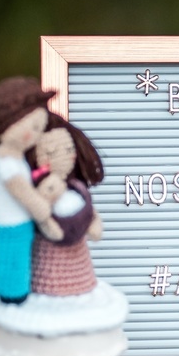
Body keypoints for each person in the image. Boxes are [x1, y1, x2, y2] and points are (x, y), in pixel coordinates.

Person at [0, 77, 63, 304]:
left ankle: (16, 290)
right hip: (8, 221)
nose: (37, 134)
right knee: (12, 256)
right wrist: (41, 209)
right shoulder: (7, 161)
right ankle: (12, 295)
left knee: (16, 253)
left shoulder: (13, 157)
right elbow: (22, 191)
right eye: (34, 127)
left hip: (10, 218)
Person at [29, 115, 106, 296]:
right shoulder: (44, 190)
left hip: (80, 267)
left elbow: (90, 212)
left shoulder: (77, 189)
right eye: (53, 152)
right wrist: (48, 225)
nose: (65, 156)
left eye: (69, 149)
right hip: (49, 266)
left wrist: (93, 223)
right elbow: (41, 214)